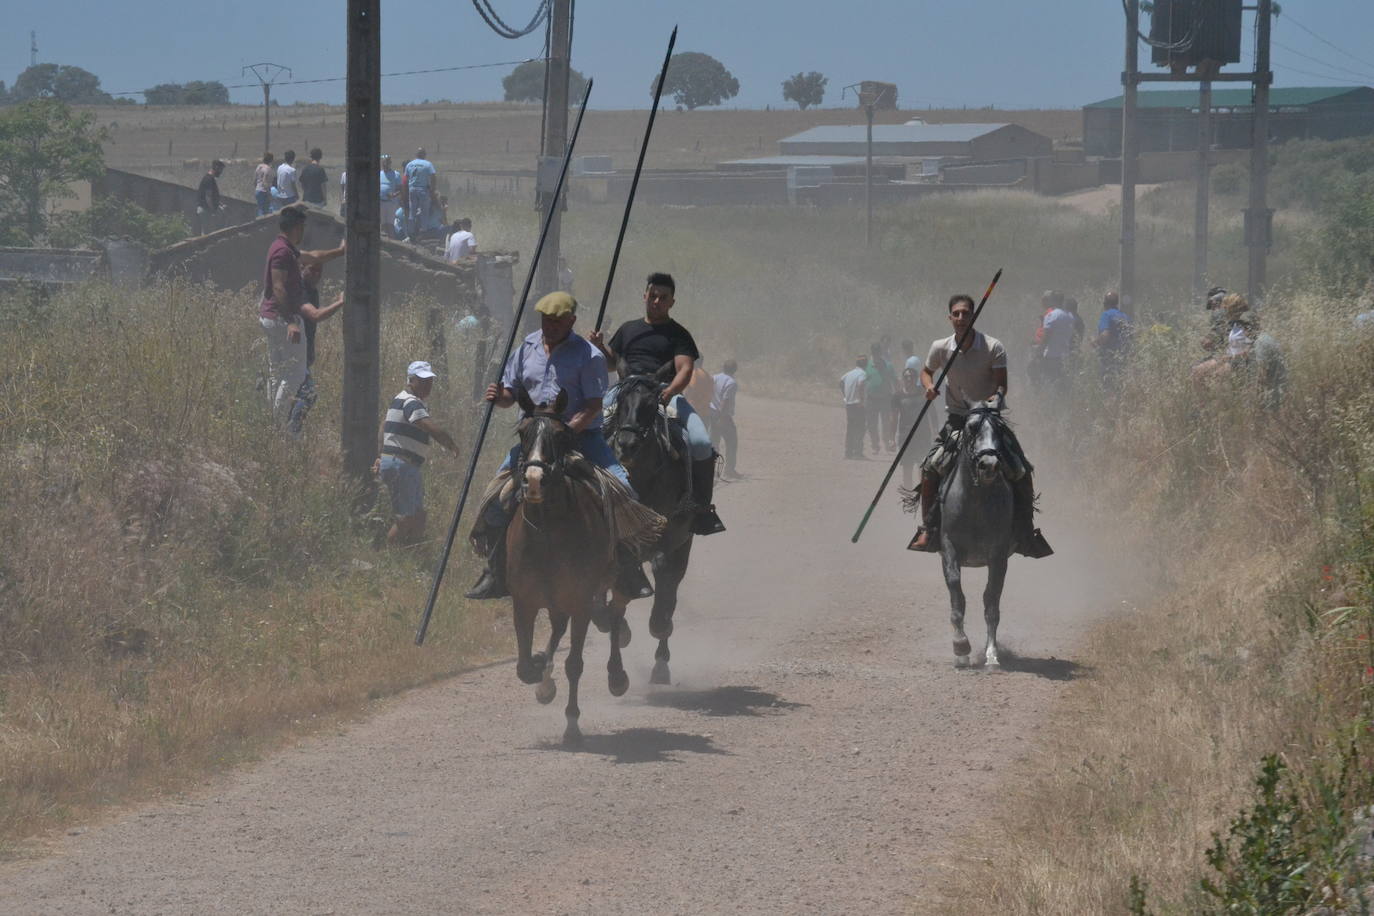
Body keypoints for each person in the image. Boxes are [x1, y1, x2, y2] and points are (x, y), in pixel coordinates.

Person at [466, 291, 646, 599]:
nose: (550, 326)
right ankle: (495, 571)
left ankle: (628, 569)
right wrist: (500, 398)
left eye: (557, 321)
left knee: (625, 489)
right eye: (546, 320)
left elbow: (592, 405)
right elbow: (512, 394)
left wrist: (564, 432)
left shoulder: (589, 356)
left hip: (583, 438)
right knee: (494, 497)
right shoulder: (526, 348)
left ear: (572, 321)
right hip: (534, 440)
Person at [909, 293, 1051, 557]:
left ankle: (1026, 532)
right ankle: (928, 529)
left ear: (973, 316)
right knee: (930, 467)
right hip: (957, 420)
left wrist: (993, 400)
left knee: (1020, 467)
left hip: (988, 419)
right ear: (949, 317)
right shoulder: (940, 347)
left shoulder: (992, 346)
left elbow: (1001, 384)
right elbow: (927, 371)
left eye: (966, 313)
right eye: (956, 314)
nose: (961, 318)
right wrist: (928, 387)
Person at [590, 272, 726, 537]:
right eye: (652, 296)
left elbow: (684, 369)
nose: (656, 301)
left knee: (700, 442)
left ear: (672, 302)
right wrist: (599, 347)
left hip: (664, 391)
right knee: (588, 429)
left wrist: (671, 391)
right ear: (644, 296)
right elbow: (610, 362)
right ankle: (582, 496)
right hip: (623, 390)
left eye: (663, 298)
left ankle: (700, 508)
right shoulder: (628, 329)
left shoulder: (679, 334)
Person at [257, 205, 344, 423]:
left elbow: (314, 256)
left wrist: (340, 251)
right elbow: (278, 287)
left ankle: (271, 422)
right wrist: (291, 322)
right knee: (294, 375)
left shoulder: (285, 249)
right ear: (296, 228)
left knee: (277, 372)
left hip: (273, 318)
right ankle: (277, 426)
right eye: (302, 227)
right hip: (280, 318)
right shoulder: (282, 252)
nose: (303, 232)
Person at [373, 361, 462, 547]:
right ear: (410, 380)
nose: (427, 385)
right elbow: (427, 426)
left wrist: (381, 456)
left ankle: (412, 552)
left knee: (418, 515)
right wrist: (450, 444)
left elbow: (383, 427)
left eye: (429, 380)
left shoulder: (398, 400)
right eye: (422, 381)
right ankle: (390, 553)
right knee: (409, 517)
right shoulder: (411, 402)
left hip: (397, 463)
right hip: (403, 465)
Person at [287, 261, 346, 437]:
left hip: (302, 356)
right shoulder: (300, 290)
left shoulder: (312, 291)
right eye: (312, 269)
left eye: (320, 271)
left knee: (294, 398)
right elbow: (315, 315)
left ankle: (287, 433)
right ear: (301, 268)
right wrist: (340, 302)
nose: (317, 274)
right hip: (293, 355)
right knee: (308, 394)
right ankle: (290, 435)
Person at [890, 367, 929, 489]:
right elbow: (894, 418)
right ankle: (908, 494)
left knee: (922, 466)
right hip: (905, 436)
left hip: (922, 436)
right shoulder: (898, 396)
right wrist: (891, 438)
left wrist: (936, 432)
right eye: (906, 377)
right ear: (903, 379)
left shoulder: (924, 393)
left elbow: (931, 414)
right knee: (907, 467)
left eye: (911, 377)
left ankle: (922, 495)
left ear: (916, 379)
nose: (909, 379)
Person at [1092, 290, 1134, 388]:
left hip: (1109, 358)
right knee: (1120, 387)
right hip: (1123, 358)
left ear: (1105, 303)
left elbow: (1105, 335)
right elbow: (1132, 336)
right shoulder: (1126, 317)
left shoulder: (1106, 315)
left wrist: (1095, 342)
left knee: (1108, 388)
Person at [1039, 295, 1075, 397]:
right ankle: (1061, 404)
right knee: (1062, 384)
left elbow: (1046, 336)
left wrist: (1039, 351)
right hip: (1064, 355)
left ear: (1053, 301)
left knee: (1049, 382)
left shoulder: (1051, 315)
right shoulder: (1070, 316)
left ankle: (1048, 404)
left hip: (1051, 355)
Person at [710, 359, 739, 479]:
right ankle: (729, 470)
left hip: (711, 413)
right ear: (735, 370)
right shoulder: (731, 382)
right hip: (723, 416)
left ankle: (711, 470)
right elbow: (725, 401)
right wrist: (721, 418)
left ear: (723, 367)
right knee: (732, 442)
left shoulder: (714, 377)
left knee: (714, 442)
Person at [865, 342, 897, 452]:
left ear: (880, 353)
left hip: (885, 399)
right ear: (872, 353)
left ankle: (886, 444)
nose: (876, 355)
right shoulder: (867, 365)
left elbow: (895, 381)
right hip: (871, 399)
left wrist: (898, 396)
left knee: (886, 423)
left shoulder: (888, 366)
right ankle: (875, 444)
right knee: (871, 423)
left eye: (877, 352)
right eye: (874, 353)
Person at [404, 148, 437, 240]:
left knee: (412, 211)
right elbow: (433, 176)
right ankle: (423, 231)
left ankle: (411, 232)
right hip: (423, 190)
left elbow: (406, 178)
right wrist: (432, 189)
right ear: (424, 155)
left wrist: (406, 191)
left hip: (412, 189)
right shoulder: (428, 164)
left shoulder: (410, 164)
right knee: (424, 211)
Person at [840, 356, 868, 459]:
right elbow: (861, 384)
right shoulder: (862, 374)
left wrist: (845, 395)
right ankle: (858, 452)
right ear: (865, 364)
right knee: (860, 428)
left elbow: (841, 382)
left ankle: (848, 452)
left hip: (849, 404)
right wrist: (861, 400)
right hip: (857, 404)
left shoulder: (849, 373)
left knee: (850, 428)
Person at [195, 159, 225, 235]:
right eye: (221, 169)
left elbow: (211, 196)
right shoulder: (209, 179)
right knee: (207, 235)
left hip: (207, 210)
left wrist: (219, 203)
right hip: (206, 210)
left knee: (207, 233)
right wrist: (213, 211)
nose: (221, 172)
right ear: (216, 167)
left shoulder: (210, 179)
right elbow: (208, 197)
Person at [379, 154, 401, 234]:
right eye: (383, 163)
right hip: (381, 202)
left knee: (390, 224)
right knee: (383, 224)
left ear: (390, 163)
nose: (384, 165)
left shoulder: (396, 174)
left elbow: (400, 189)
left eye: (386, 163)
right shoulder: (379, 174)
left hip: (391, 203)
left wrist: (394, 195)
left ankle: (392, 240)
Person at [254, 153, 275, 218]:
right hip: (264, 191)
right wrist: (269, 193)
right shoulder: (268, 169)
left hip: (257, 190)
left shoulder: (259, 167)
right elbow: (264, 181)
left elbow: (254, 181)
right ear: (271, 160)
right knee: (266, 210)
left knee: (260, 208)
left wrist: (257, 188)